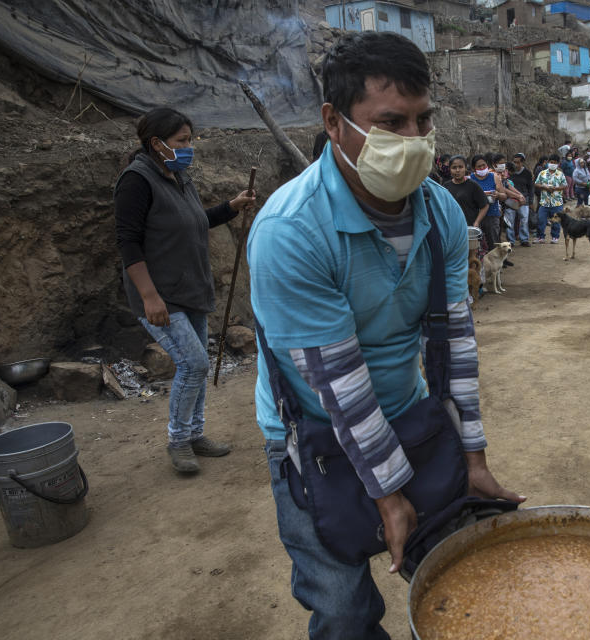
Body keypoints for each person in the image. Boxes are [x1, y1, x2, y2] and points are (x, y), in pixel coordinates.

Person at [246, 31, 523, 639]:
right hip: (313, 431)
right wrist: (390, 491)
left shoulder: (440, 212)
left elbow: (452, 342)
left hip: (407, 412)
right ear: (334, 121)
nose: (413, 141)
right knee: (344, 608)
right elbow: (334, 383)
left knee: (459, 577)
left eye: (423, 121)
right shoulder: (291, 231)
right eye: (390, 122)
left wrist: (472, 455)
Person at [114, 108, 253, 473]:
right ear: (157, 144)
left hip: (190, 289)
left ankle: (194, 434)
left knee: (196, 367)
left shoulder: (177, 175)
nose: (189, 147)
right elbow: (128, 242)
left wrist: (231, 208)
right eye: (182, 141)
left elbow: (194, 221)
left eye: (189, 140)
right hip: (160, 295)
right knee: (194, 364)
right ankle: (178, 441)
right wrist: (149, 296)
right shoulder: (136, 181)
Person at [443, 155, 488, 228]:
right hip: (452, 227)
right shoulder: (446, 186)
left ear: (465, 168)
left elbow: (485, 205)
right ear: (450, 169)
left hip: (469, 227)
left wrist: (477, 222)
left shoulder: (473, 185)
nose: (457, 170)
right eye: (454, 168)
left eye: (460, 167)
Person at [470, 154, 505, 246]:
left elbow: (504, 196)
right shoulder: (470, 179)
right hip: (475, 216)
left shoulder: (494, 177)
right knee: (476, 244)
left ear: (487, 165)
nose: (482, 168)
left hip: (492, 215)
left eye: (484, 165)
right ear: (474, 168)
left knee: (493, 242)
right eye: (479, 166)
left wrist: (497, 194)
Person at [534, 153, 566, 244]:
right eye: (551, 162)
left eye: (555, 162)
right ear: (548, 162)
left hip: (556, 202)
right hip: (544, 202)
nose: (552, 164)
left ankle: (555, 237)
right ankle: (540, 236)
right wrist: (545, 187)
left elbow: (565, 185)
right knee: (541, 219)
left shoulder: (560, 174)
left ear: (558, 163)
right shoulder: (542, 173)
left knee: (556, 220)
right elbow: (536, 183)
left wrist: (555, 188)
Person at [510, 153, 535, 246]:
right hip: (511, 200)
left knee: (524, 220)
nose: (516, 164)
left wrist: (531, 201)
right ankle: (510, 241)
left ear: (522, 163)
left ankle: (524, 239)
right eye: (514, 162)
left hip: (524, 200)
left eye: (518, 162)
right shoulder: (509, 172)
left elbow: (531, 188)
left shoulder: (527, 173)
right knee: (510, 221)